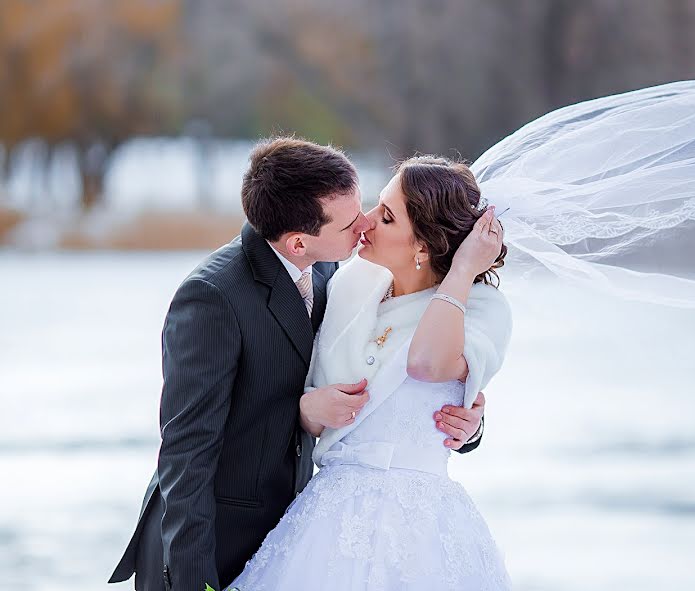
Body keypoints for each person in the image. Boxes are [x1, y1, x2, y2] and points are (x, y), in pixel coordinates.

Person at [108, 140, 488, 591]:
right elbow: (185, 453)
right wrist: (191, 579)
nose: (365, 223)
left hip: (299, 533)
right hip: (213, 544)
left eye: (367, 208)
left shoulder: (336, 274)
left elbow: (391, 380)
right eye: (351, 222)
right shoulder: (213, 297)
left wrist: (467, 421)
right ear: (298, 241)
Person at [227, 155, 512, 591]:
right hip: (328, 517)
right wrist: (307, 409)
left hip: (420, 528)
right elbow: (309, 395)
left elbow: (427, 365)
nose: (366, 221)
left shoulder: (482, 307)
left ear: (423, 246)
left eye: (387, 216)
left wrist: (461, 271)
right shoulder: (347, 283)